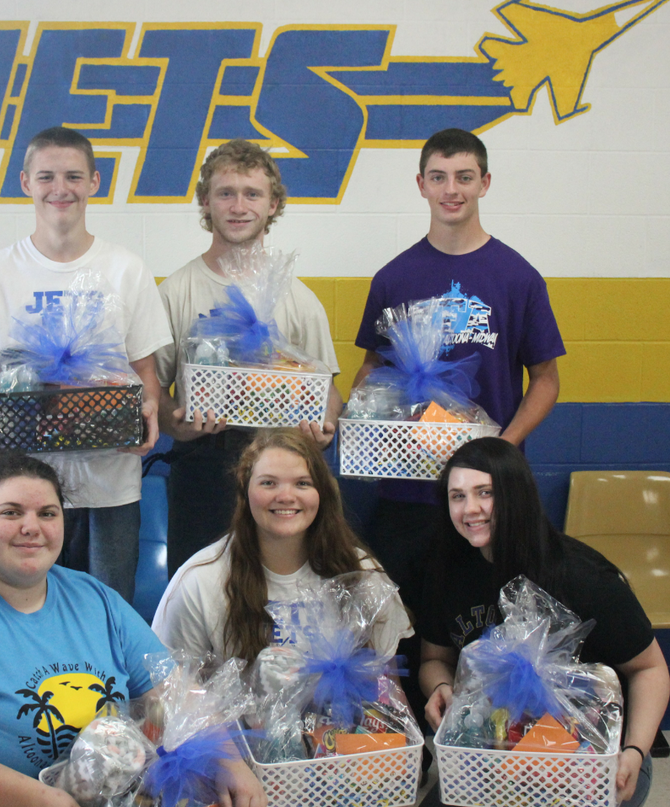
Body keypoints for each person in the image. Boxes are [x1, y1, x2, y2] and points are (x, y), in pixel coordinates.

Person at [0, 454, 266, 807]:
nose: (31, 527)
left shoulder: (95, 599)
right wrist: (31, 798)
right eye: (11, 512)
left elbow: (175, 692)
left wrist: (229, 761)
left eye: (47, 513)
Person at [0, 126, 172, 603]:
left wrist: (148, 409)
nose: (60, 189)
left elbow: (145, 370)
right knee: (21, 606)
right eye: (46, 176)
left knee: (106, 608)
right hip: (23, 485)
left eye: (73, 176)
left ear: (94, 181)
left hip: (110, 484)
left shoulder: (126, 269)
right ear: (25, 182)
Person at [351, 127, 565, 615]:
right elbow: (371, 367)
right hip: (407, 488)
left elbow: (546, 380)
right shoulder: (393, 278)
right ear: (421, 185)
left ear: (484, 183)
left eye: (464, 177)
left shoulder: (519, 278)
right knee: (402, 625)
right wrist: (361, 421)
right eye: (439, 177)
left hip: (488, 495)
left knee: (484, 625)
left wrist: (501, 449)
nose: (452, 189)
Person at [415, 437, 670, 807]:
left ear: (516, 496)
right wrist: (440, 687)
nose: (470, 509)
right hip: (496, 750)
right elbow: (434, 658)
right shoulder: (448, 569)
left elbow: (649, 669)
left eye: (485, 493)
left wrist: (634, 751)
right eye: (457, 496)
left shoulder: (581, 576)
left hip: (594, 755)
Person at [155, 139, 343, 579]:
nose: (238, 206)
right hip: (203, 464)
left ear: (273, 204)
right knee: (197, 588)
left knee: (277, 588)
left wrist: (325, 426)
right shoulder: (176, 291)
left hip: (283, 468)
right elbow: (154, 388)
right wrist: (175, 424)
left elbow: (328, 390)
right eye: (226, 193)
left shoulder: (298, 299)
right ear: (206, 201)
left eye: (252, 194)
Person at [152, 428, 411, 666]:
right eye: (268, 483)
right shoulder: (199, 581)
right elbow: (168, 687)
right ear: (245, 492)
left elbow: (386, 683)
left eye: (302, 483)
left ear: (322, 493)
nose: (286, 496)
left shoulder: (362, 573)